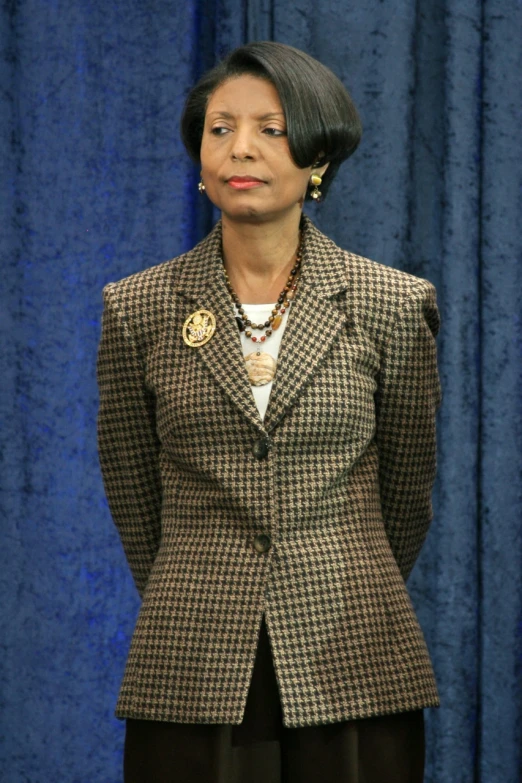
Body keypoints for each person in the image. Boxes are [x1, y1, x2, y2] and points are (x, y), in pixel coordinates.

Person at [97, 41, 441, 783]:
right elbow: (132, 489)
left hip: (351, 652)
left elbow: (407, 496)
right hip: (191, 659)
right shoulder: (139, 307)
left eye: (270, 129)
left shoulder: (390, 303)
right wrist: (202, 583)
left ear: (317, 156)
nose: (239, 149)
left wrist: (332, 574)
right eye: (220, 129)